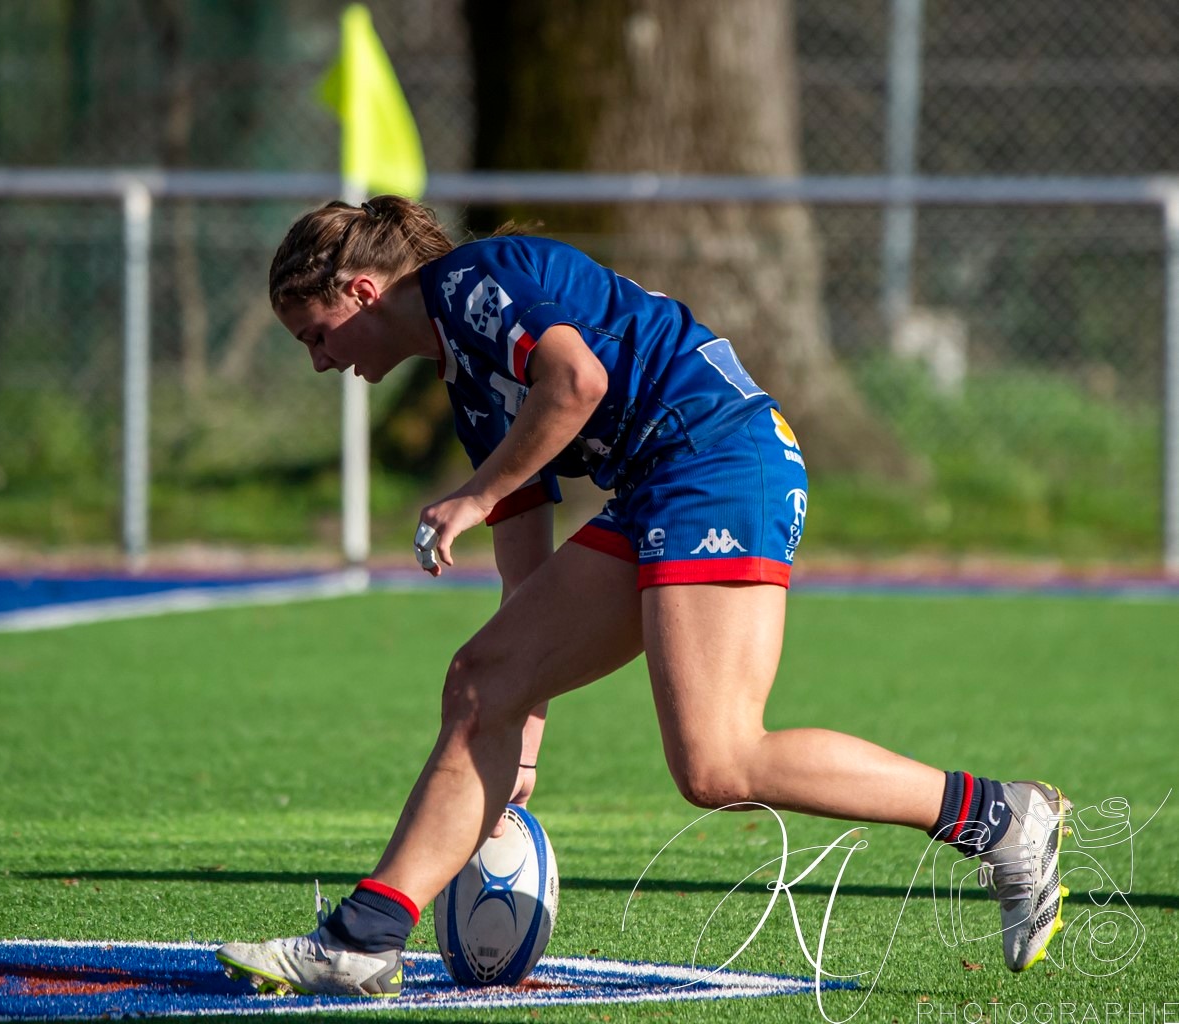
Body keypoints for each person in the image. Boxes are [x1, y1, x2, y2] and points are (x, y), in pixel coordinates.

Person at [215, 196, 1069, 997]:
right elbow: (524, 567)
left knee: (718, 762)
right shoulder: (464, 372)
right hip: (664, 483)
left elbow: (575, 382)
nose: (320, 359)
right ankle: (364, 939)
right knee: (483, 680)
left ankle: (999, 817)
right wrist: (522, 741)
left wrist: (472, 494)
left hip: (718, 460)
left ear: (363, 293)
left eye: (316, 334)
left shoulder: (474, 281)